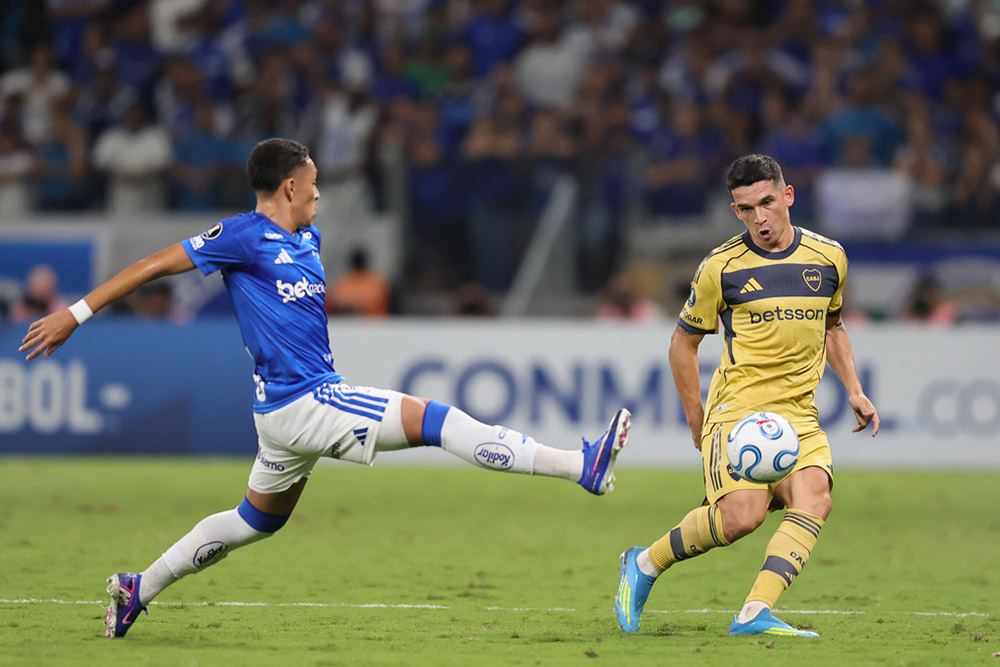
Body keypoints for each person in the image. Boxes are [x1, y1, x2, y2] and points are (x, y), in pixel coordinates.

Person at [19, 138, 630, 639]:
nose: (318, 193)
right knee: (438, 420)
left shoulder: (308, 241)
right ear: (289, 186)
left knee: (256, 521)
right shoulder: (242, 235)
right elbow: (152, 266)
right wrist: (75, 313)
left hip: (284, 414)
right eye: (312, 183)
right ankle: (582, 465)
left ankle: (138, 588)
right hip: (303, 399)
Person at [614, 154, 879, 638]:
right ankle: (644, 563)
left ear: (788, 196)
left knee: (815, 498)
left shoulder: (828, 257)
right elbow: (683, 341)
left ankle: (754, 611)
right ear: (734, 210)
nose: (759, 218)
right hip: (738, 413)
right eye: (745, 209)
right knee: (742, 518)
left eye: (766, 203)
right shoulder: (722, 267)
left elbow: (833, 326)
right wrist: (696, 416)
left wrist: (855, 390)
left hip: (798, 413)